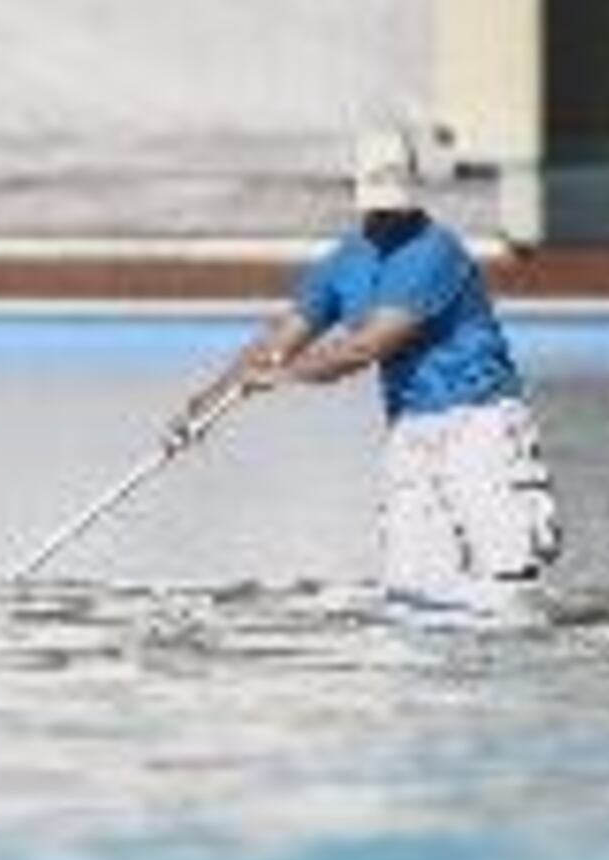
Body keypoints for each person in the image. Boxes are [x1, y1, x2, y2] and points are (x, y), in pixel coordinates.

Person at [171, 128, 561, 607]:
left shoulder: (435, 251)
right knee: (413, 593)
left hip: (480, 425)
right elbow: (280, 340)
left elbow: (367, 346)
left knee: (509, 585)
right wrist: (208, 402)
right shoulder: (344, 263)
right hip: (410, 431)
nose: (385, 215)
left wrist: (282, 376)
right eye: (377, 203)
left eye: (393, 203)